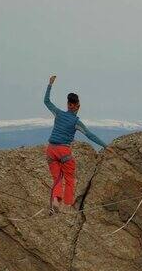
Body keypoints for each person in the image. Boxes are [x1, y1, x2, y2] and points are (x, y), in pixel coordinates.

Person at [44, 75, 108, 214]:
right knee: (70, 179)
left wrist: (50, 84)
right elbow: (89, 135)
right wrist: (106, 146)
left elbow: (46, 101)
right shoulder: (76, 122)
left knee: (57, 178)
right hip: (64, 151)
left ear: (68, 105)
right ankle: (67, 206)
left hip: (50, 150)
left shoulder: (58, 113)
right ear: (77, 106)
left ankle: (55, 201)